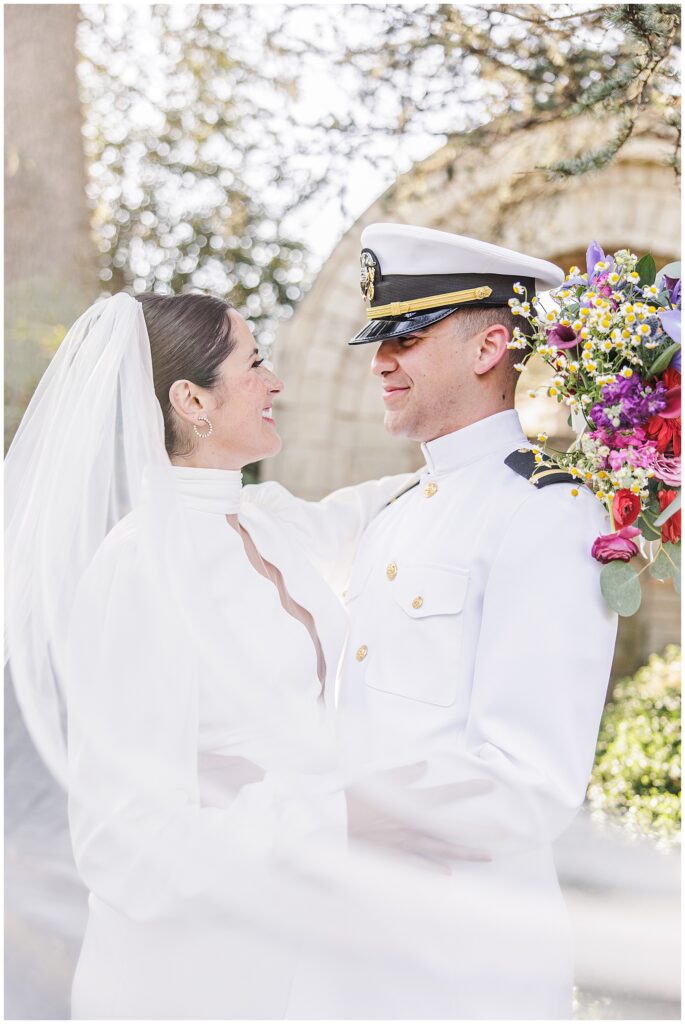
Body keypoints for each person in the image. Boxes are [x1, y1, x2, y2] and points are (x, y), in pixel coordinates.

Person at [6, 290, 432, 1019]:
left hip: (288, 953)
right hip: (184, 982)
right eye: (255, 363)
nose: (276, 384)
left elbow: (366, 516)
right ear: (191, 401)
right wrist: (332, 816)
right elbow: (124, 847)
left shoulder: (260, 522)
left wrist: (556, 460)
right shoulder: (141, 568)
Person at [249, 224, 619, 1019]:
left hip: (463, 967)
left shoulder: (549, 513)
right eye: (380, 338)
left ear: (489, 347)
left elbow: (531, 782)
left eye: (408, 337)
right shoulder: (394, 509)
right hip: (352, 947)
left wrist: (336, 814)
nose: (381, 359)